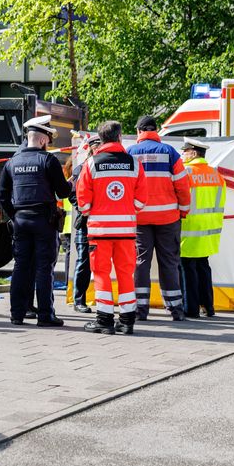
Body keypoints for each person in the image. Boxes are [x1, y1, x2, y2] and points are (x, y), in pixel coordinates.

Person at [0, 115, 71, 327]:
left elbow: (2, 197)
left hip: (20, 221)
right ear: (42, 140)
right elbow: (63, 191)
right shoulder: (48, 161)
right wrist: (70, 182)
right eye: (48, 140)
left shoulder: (12, 162)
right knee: (43, 268)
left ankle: (17, 314)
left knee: (20, 266)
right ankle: (45, 315)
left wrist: (16, 216)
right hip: (44, 222)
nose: (48, 144)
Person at [78, 120, 147, 335]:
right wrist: (125, 210)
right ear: (119, 137)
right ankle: (127, 321)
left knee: (101, 274)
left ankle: (104, 321)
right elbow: (141, 200)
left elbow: (83, 204)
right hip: (126, 231)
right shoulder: (134, 163)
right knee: (126, 273)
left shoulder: (91, 164)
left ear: (101, 138)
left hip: (100, 232)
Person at [127, 115, 191, 321]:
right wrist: (183, 210)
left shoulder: (130, 153)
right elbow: (182, 185)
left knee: (140, 263)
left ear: (139, 131)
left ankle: (140, 310)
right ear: (155, 131)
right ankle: (175, 310)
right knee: (169, 263)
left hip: (140, 219)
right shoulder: (170, 153)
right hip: (168, 218)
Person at [179, 138, 225, 318]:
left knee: (187, 268)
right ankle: (208, 307)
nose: (183, 155)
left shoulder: (186, 172)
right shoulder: (216, 173)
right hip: (210, 229)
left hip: (190, 228)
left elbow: (181, 199)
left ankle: (191, 309)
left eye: (185, 151)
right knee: (203, 267)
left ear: (193, 153)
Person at [67, 132, 100, 313]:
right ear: (90, 149)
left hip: (103, 221)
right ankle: (79, 300)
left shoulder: (106, 167)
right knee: (83, 261)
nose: (99, 150)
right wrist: (82, 207)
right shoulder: (80, 169)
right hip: (86, 220)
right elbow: (72, 194)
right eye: (96, 147)